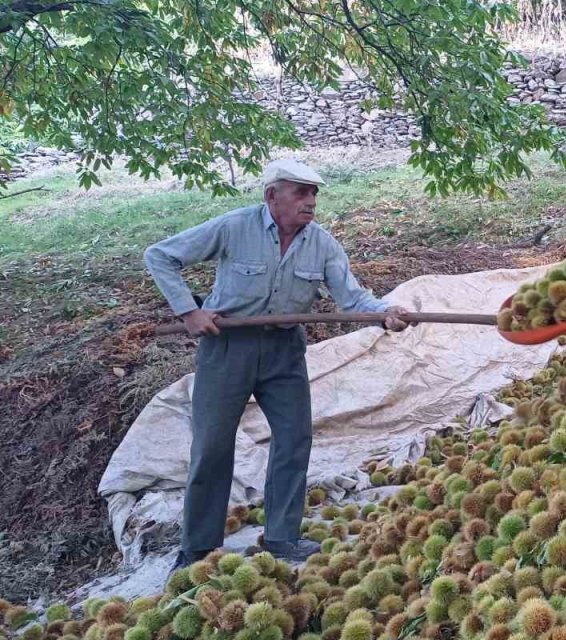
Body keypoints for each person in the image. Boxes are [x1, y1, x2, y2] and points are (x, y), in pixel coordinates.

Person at [143, 158, 412, 569]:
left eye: (314, 193)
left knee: (294, 437)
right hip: (228, 347)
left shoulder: (321, 244)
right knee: (212, 445)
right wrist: (189, 311)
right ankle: (198, 547)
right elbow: (160, 256)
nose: (311, 201)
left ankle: (282, 537)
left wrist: (384, 313)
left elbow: (352, 298)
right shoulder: (234, 227)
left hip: (284, 350)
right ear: (272, 196)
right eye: (301, 193)